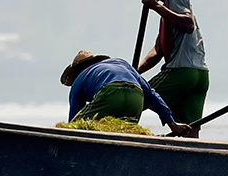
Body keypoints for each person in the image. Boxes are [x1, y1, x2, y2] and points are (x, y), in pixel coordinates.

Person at [133, 0, 210, 135]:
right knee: (190, 128)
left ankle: (122, 137)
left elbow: (188, 24)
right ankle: (192, 159)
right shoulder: (166, 16)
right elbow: (157, 51)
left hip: (182, 71)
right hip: (200, 75)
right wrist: (134, 72)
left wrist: (156, 6)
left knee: (138, 98)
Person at [60, 50, 195, 136]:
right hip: (137, 96)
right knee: (126, 131)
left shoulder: (80, 79)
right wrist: (173, 124)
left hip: (110, 93)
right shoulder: (121, 64)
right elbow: (151, 94)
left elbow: (74, 122)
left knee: (78, 125)